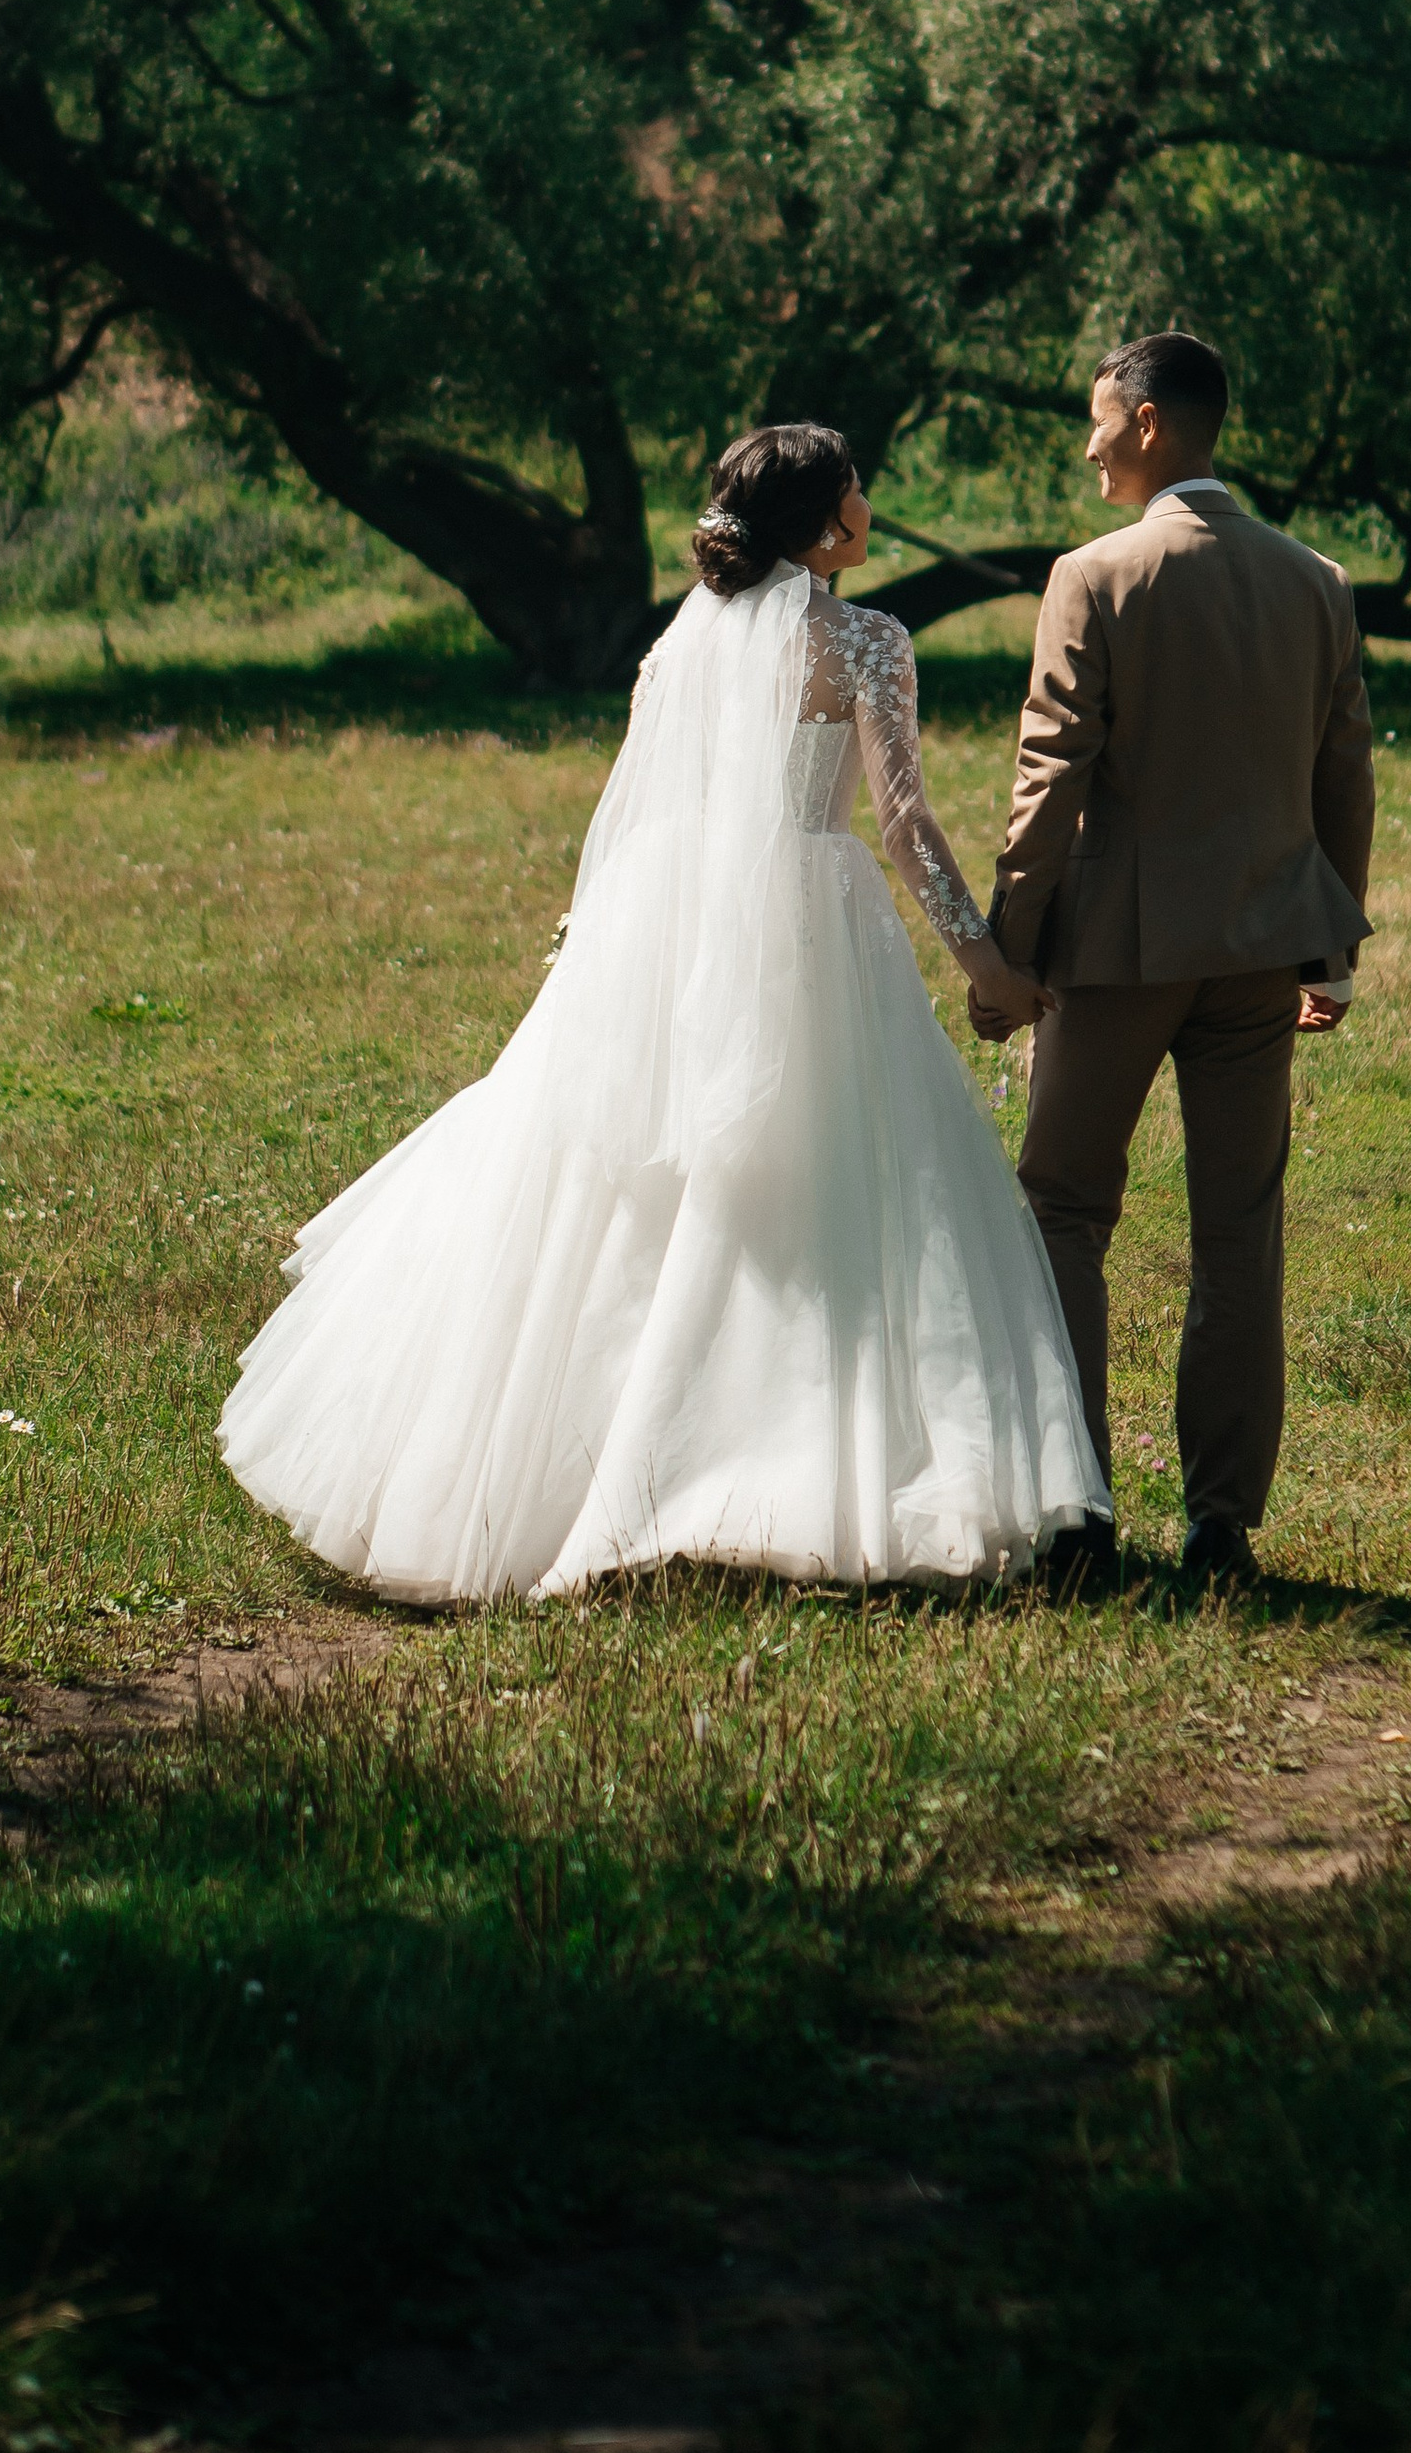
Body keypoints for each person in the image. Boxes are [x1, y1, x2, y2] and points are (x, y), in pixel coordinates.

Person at [219, 422, 1107, 1600]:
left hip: (668, 919)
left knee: (637, 1185)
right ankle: (785, 1463)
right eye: (858, 488)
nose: (869, 505)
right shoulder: (864, 640)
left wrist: (601, 943)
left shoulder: (675, 649)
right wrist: (985, 963)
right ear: (831, 519)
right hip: (802, 920)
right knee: (815, 1188)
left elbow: (639, 814)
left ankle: (592, 1470)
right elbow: (900, 825)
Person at [974, 334, 1375, 1596]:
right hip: (1263, 951)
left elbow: (1051, 775)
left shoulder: (1093, 576)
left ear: (1147, 424)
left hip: (1119, 955)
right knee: (1237, 1232)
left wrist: (1006, 951)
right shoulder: (1314, 578)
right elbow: (1342, 768)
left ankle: (1077, 1513)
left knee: (1061, 1212)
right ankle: (1220, 1527)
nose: (1088, 444)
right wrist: (1334, 944)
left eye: (1098, 421)